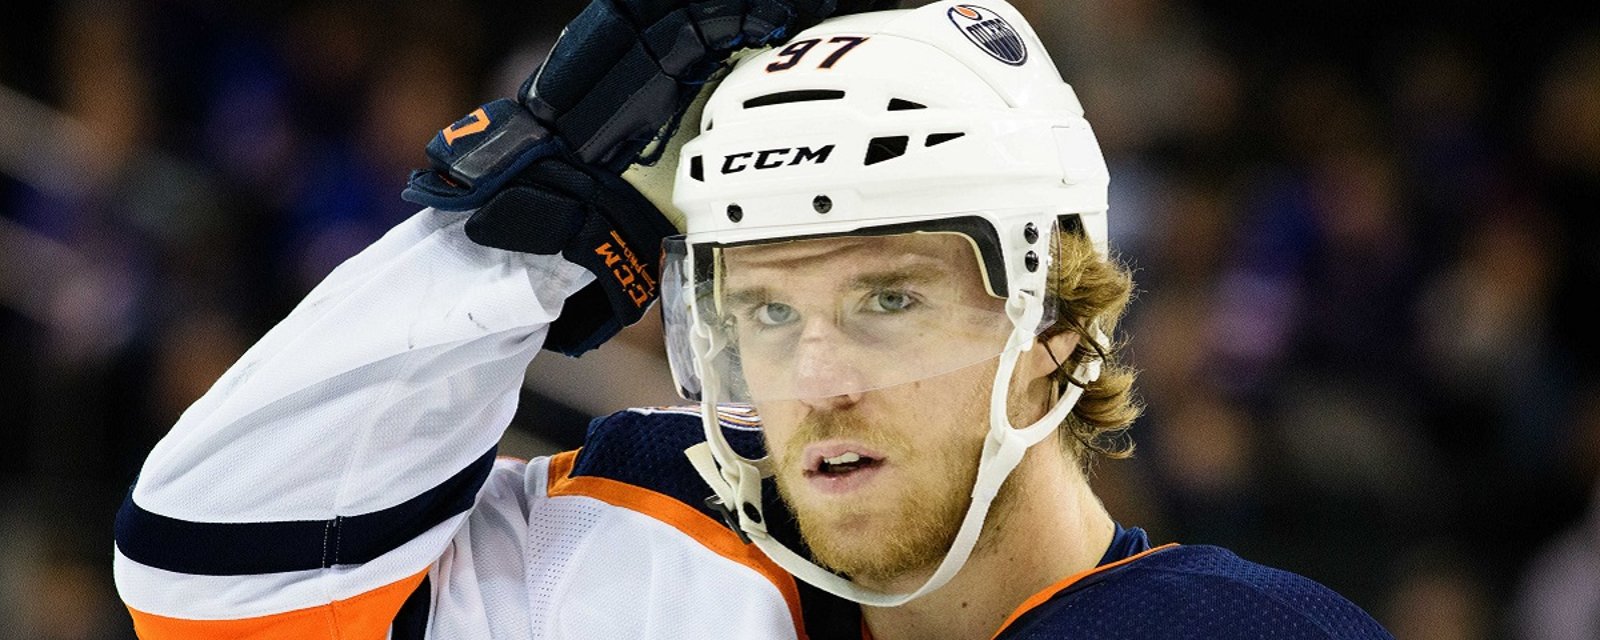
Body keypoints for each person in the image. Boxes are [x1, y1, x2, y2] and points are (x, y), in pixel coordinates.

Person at [113, 1, 1395, 638]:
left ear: (1057, 326)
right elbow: (209, 567)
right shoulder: (645, 535)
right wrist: (544, 206)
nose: (819, 376)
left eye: (888, 299)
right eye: (765, 313)